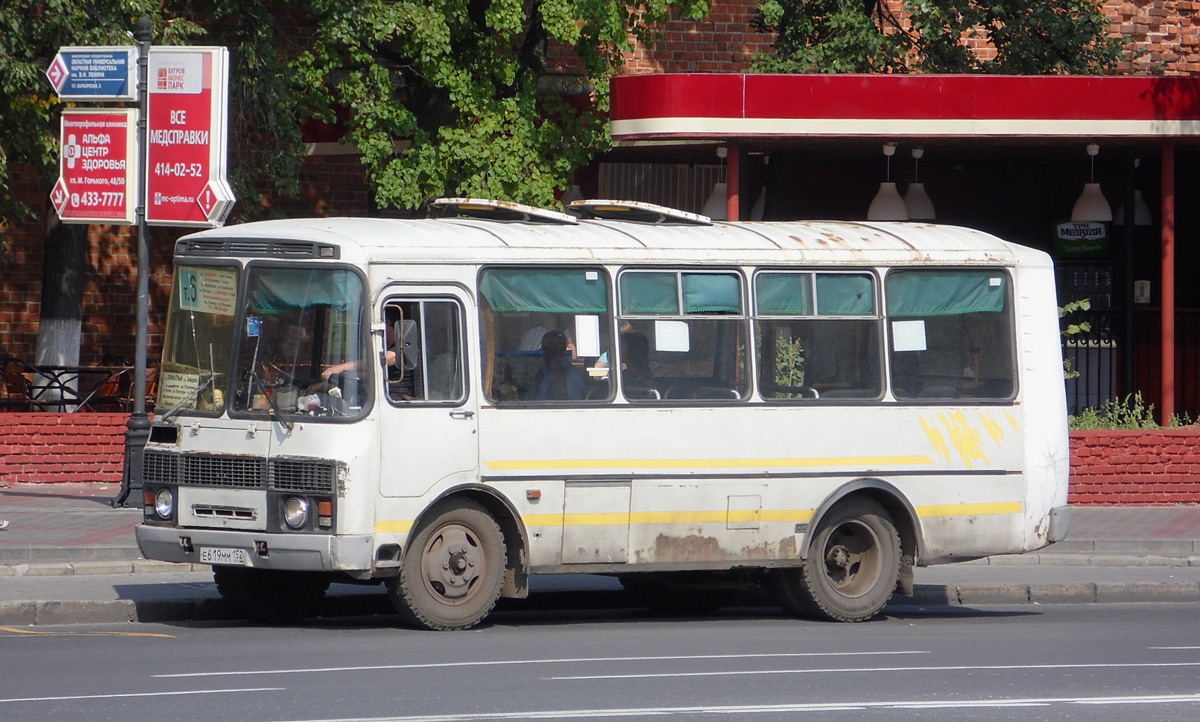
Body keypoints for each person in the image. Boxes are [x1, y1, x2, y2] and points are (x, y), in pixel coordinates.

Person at [531, 329, 585, 400]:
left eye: (551, 348)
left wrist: (559, 380)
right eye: (545, 347)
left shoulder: (572, 374)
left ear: (561, 351)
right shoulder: (541, 371)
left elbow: (573, 402)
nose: (546, 351)